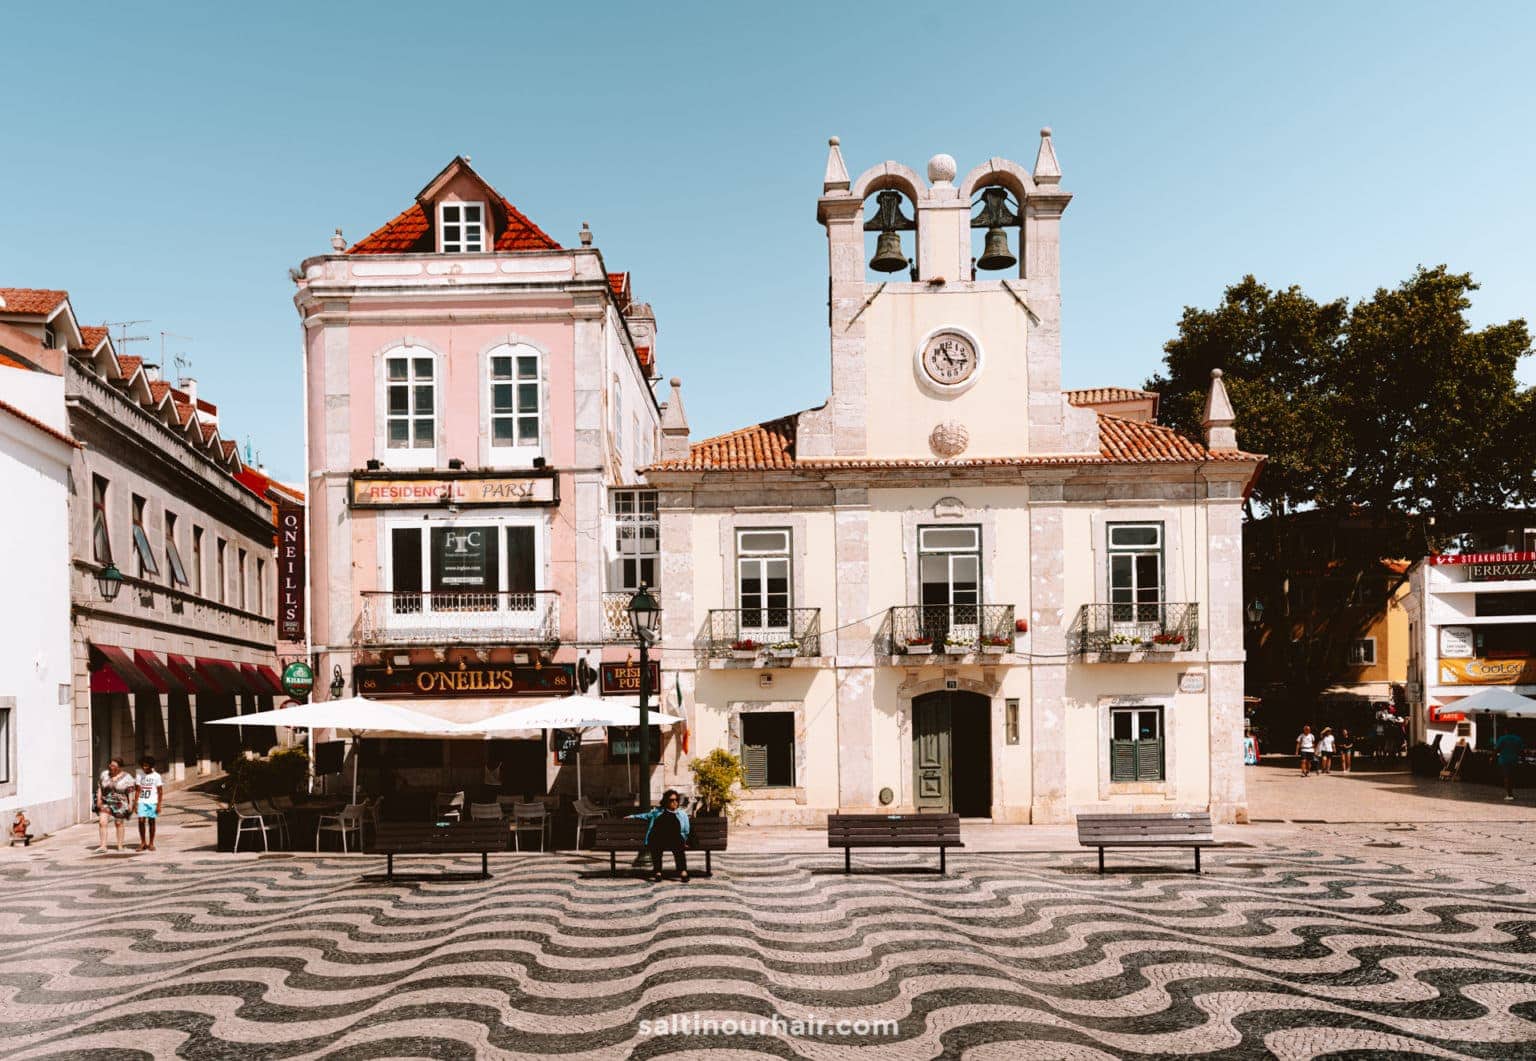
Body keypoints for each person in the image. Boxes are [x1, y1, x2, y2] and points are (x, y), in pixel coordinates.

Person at [629, 788, 690, 883]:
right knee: (656, 844)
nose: (674, 802)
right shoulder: (657, 812)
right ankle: (658, 872)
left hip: (676, 839)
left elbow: (686, 830)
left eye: (676, 800)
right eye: (671, 800)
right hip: (660, 838)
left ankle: (682, 871)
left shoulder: (682, 814)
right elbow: (645, 816)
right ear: (666, 801)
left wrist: (685, 840)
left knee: (678, 846)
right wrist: (632, 816)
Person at [97, 757, 135, 852]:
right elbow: (100, 788)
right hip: (106, 801)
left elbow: (130, 791)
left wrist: (131, 803)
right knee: (102, 822)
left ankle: (120, 845)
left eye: (114, 765)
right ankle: (103, 846)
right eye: (110, 764)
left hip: (120, 803)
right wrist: (98, 799)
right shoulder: (104, 774)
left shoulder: (127, 777)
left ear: (119, 767)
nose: (111, 767)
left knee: (119, 823)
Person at [134, 756, 165, 852]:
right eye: (143, 766)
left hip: (152, 801)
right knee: (141, 821)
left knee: (151, 821)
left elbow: (160, 792)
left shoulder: (157, 776)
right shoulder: (139, 775)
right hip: (142, 801)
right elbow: (138, 790)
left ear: (151, 766)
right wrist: (135, 803)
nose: (144, 767)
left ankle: (151, 843)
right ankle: (143, 842)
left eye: (147, 766)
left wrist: (159, 805)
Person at [1495, 731, 1524, 801]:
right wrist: (1523, 759)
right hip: (1514, 760)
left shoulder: (1502, 738)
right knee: (1512, 776)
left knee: (1506, 777)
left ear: (1505, 730)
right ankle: (1511, 792)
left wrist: (1492, 757)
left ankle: (1509, 794)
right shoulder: (1518, 739)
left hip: (1504, 760)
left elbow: (1497, 749)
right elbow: (1521, 750)